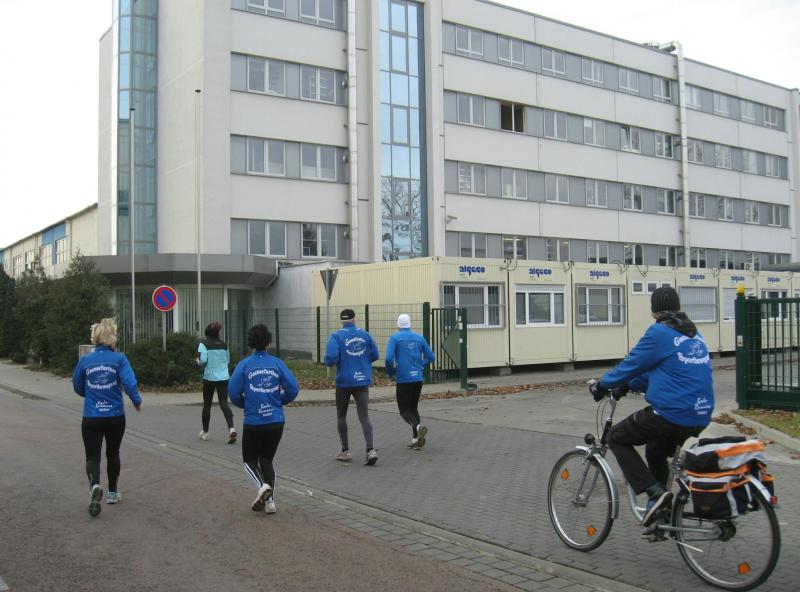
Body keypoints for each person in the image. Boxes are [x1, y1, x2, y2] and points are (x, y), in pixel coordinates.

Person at [593, 286, 714, 527]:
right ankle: (660, 510)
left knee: (616, 437)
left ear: (654, 311)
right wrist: (628, 385)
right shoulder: (694, 333)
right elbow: (664, 371)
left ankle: (655, 493)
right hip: (701, 414)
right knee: (655, 449)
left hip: (673, 413)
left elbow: (632, 363)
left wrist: (603, 385)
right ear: (678, 307)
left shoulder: (660, 332)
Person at [72, 318, 142, 517]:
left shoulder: (85, 360)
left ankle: (95, 485)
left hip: (91, 416)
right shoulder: (120, 359)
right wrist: (136, 401)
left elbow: (77, 385)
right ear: (112, 337)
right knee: (113, 453)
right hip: (115, 416)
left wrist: (90, 394)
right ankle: (112, 493)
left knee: (92, 456)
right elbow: (129, 383)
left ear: (95, 337)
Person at [228, 324, 299, 514]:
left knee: (249, 461)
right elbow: (293, 388)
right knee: (267, 460)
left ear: (250, 343)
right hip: (276, 421)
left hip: (254, 422)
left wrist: (246, 404)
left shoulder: (244, 365)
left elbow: (233, 392)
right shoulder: (277, 364)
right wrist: (279, 401)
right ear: (269, 343)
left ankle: (262, 487)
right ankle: (270, 503)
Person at [324, 308, 380, 465]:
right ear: (354, 319)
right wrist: (362, 362)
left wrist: (336, 361)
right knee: (364, 416)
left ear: (342, 321)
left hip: (344, 382)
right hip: (362, 381)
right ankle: (370, 450)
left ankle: (345, 451)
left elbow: (330, 358)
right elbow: (375, 355)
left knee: (341, 416)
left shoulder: (336, 336)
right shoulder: (365, 335)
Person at [385, 313, 435, 450]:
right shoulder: (419, 338)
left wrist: (391, 372)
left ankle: (418, 428)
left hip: (403, 378)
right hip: (417, 378)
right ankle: (416, 440)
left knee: (404, 411)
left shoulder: (395, 338)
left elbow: (388, 359)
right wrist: (420, 365)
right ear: (409, 324)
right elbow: (431, 356)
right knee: (413, 409)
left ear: (398, 325)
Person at [196, 322, 236, 444]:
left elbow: (203, 360)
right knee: (224, 404)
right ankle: (231, 429)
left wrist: (197, 361)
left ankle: (206, 432)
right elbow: (227, 360)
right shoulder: (224, 345)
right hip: (223, 378)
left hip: (209, 378)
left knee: (207, 405)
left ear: (207, 333)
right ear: (218, 333)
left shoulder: (203, 344)